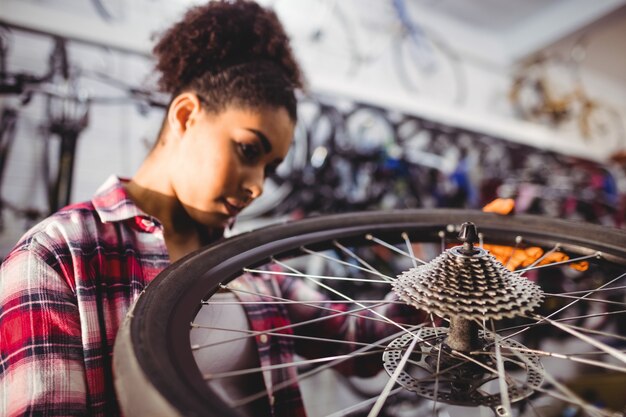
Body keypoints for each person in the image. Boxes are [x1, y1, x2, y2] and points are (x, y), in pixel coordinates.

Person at [0, 1, 425, 416]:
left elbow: (362, 341)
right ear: (185, 115)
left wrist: (450, 280)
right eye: (247, 149)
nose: (257, 186)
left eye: (269, 168)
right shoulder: (57, 257)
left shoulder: (247, 266)